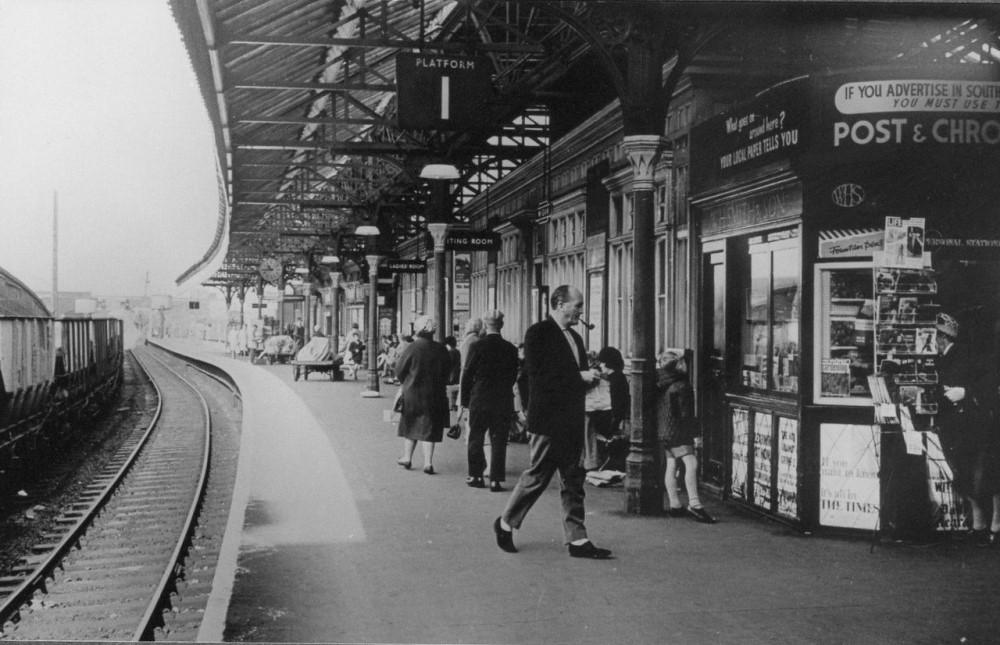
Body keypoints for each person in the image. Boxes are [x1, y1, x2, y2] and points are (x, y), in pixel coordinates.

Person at [493, 285, 612, 558]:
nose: (580, 311)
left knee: (574, 479)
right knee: (538, 475)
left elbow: (569, 373)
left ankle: (578, 539)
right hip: (547, 419)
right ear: (559, 304)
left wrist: (591, 374)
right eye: (577, 305)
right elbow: (540, 377)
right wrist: (579, 377)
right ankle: (505, 523)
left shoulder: (575, 338)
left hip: (570, 419)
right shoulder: (538, 334)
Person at [934, 312, 999, 544]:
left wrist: (966, 393)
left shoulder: (970, 357)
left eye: (937, 335)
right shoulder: (943, 358)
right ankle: (980, 523)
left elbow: (987, 385)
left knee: (982, 473)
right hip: (953, 422)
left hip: (974, 422)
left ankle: (991, 524)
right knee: (964, 473)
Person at [460, 310, 519, 491]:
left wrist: (464, 401)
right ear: (501, 325)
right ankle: (495, 479)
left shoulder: (477, 346)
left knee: (476, 436)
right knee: (499, 439)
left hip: (480, 397)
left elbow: (468, 374)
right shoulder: (511, 348)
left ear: (485, 325)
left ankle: (476, 476)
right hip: (502, 399)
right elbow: (513, 375)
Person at [657, 349, 715, 523]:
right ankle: (695, 504)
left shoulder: (662, 381)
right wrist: (696, 434)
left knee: (671, 465)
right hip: (678, 431)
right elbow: (685, 413)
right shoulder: (682, 385)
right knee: (691, 463)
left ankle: (675, 504)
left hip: (665, 430)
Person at [395, 315, 451, 475]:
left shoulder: (411, 348)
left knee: (410, 422)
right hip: (435, 393)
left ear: (417, 330)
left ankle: (407, 457)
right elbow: (448, 371)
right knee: (430, 426)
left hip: (413, 392)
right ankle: (428, 462)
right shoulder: (441, 349)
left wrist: (406, 381)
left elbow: (399, 371)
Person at [444, 335, 462, 411]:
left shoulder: (450, 353)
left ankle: (452, 406)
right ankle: (454, 405)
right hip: (457, 375)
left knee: (451, 392)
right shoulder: (457, 352)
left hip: (451, 377)